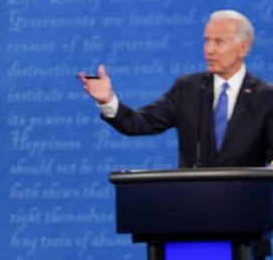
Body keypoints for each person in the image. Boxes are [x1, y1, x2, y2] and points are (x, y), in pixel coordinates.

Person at [78, 9, 273, 167]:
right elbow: (140, 123)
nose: (209, 49)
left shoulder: (266, 97)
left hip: (245, 204)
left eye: (219, 42)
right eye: (207, 40)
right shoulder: (188, 89)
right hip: (193, 203)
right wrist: (107, 100)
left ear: (244, 48)